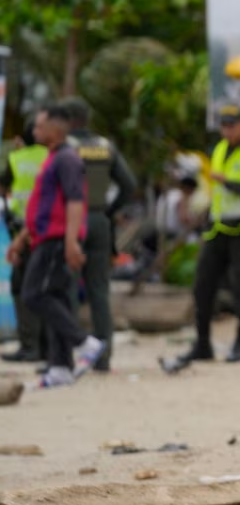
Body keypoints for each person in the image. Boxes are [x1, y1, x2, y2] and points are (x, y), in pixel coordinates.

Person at [6, 105, 106, 387]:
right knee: (57, 297)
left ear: (56, 129)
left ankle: (84, 342)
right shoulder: (51, 159)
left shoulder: (67, 160)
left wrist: (72, 241)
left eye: (39, 126)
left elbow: (76, 201)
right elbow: (41, 205)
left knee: (34, 294)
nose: (34, 131)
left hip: (56, 238)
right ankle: (60, 365)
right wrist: (21, 238)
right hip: (42, 236)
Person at [165, 104, 240, 371]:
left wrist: (226, 181)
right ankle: (202, 344)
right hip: (217, 227)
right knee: (203, 285)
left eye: (232, 125)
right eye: (224, 125)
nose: (228, 130)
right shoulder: (219, 149)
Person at [62, 97, 139, 372]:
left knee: (66, 289)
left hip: (71, 222)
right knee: (98, 291)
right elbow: (129, 184)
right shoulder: (105, 146)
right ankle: (103, 358)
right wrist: (108, 210)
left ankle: (68, 356)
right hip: (99, 221)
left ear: (66, 120)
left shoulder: (63, 147)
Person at [1, 119, 49, 363]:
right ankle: (47, 346)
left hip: (23, 229)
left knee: (22, 287)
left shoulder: (17, 159)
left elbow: (4, 186)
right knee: (45, 286)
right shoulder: (52, 156)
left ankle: (30, 346)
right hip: (49, 230)